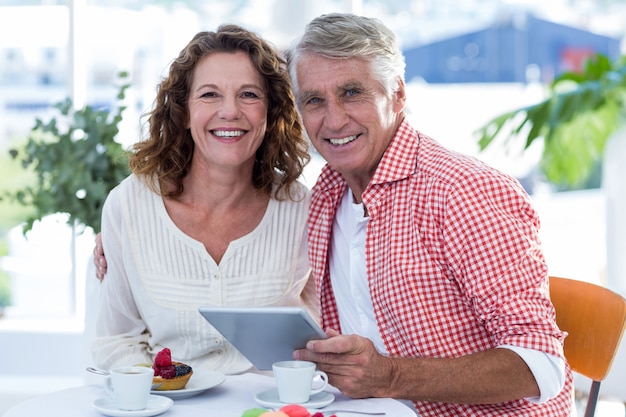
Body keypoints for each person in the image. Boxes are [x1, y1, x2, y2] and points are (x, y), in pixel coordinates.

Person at [284, 13, 573, 417]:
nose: (333, 120)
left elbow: (541, 367)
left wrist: (390, 376)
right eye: (315, 100)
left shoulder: (463, 193)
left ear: (398, 94)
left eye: (352, 92)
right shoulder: (326, 194)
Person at [91, 24, 317, 374]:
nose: (229, 111)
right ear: (183, 112)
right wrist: (155, 392)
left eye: (249, 95)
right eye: (210, 94)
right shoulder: (129, 206)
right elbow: (116, 342)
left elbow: (330, 331)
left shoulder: (305, 210)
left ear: (270, 114)